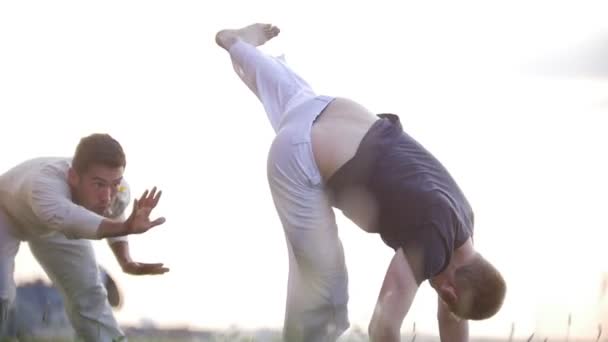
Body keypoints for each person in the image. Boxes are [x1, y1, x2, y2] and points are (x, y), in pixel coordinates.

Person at [215, 23, 506, 342]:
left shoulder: (462, 224)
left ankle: (237, 44)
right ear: (450, 292)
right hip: (299, 158)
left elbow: (450, 315)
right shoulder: (433, 242)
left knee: (289, 95)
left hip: (328, 110)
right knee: (324, 293)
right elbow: (382, 327)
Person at [0, 133, 168, 341]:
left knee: (90, 295)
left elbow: (115, 214)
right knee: (2, 294)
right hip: (6, 214)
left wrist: (126, 261)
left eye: (114, 183)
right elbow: (78, 221)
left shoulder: (119, 189)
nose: (107, 195)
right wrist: (126, 227)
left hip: (55, 227)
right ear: (73, 177)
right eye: (98, 184)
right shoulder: (44, 187)